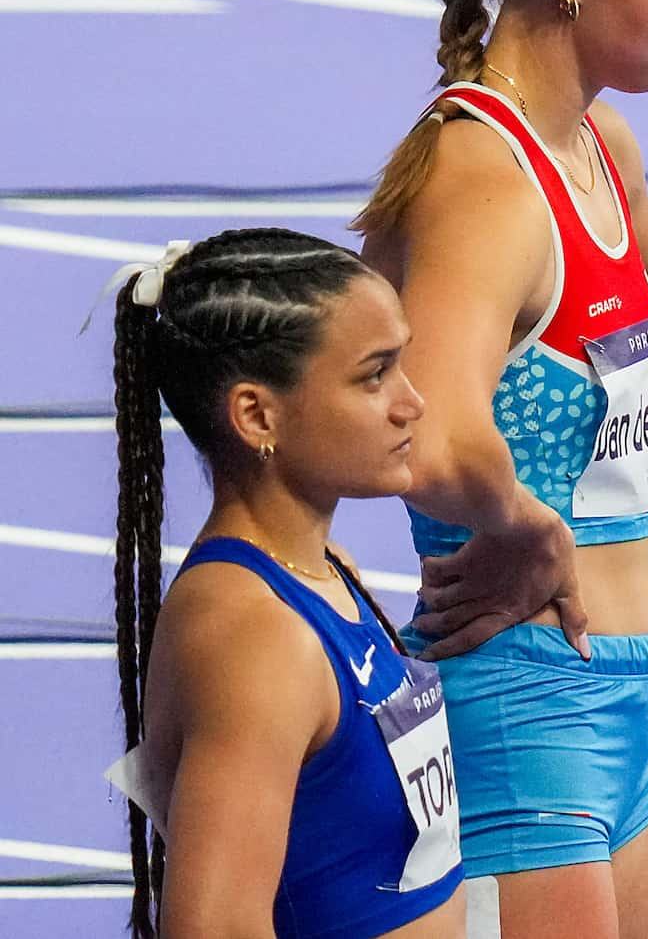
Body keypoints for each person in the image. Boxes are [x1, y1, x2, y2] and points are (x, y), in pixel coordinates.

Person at [354, 0, 648, 938]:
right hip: (523, 701)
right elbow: (433, 428)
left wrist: (597, 424)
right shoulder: (481, 178)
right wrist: (531, 527)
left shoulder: (596, 145)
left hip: (632, 681)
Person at [108, 228, 465, 939]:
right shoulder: (257, 635)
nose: (412, 403)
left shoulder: (323, 571)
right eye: (374, 375)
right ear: (257, 415)